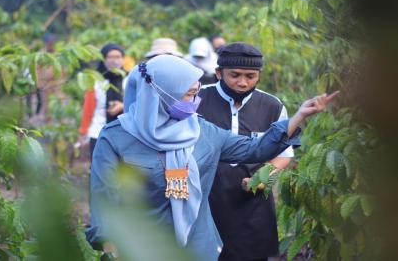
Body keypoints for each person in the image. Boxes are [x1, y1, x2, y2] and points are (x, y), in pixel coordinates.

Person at [86, 55, 338, 261]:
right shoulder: (116, 136)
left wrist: (298, 117)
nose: (195, 102)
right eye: (188, 95)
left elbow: (255, 149)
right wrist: (109, 243)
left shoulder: (202, 131)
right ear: (160, 93)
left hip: (196, 244)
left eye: (197, 93)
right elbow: (103, 193)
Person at [198, 42, 292, 261]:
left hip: (253, 205)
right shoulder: (197, 100)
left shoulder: (272, 106)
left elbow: (284, 155)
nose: (242, 82)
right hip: (204, 200)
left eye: (251, 76)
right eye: (235, 75)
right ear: (219, 73)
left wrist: (262, 178)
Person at [77, 43, 126, 157]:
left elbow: (138, 104)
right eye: (110, 57)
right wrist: (83, 132)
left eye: (118, 57)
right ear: (103, 59)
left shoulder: (130, 79)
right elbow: (88, 108)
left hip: (125, 133)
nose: (115, 61)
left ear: (123, 59)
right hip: (98, 131)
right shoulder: (95, 81)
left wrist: (123, 106)